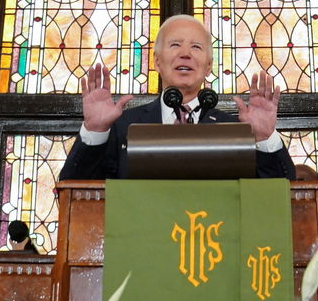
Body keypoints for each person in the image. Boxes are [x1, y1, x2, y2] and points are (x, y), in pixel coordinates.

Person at [59, 13, 295, 180]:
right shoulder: (123, 126)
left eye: (196, 47)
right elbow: (76, 191)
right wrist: (96, 131)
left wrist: (265, 138)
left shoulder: (235, 128)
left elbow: (282, 196)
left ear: (209, 65)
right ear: (157, 62)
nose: (185, 54)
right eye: (175, 45)